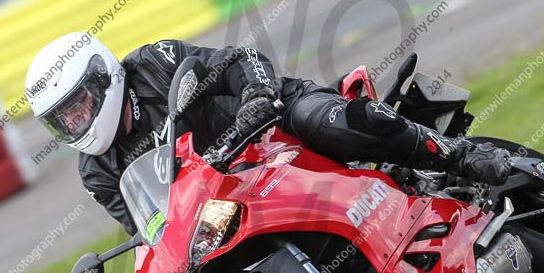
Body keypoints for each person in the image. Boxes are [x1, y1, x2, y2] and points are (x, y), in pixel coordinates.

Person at [25, 33, 511, 234]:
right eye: (62, 119)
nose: (76, 122)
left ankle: (457, 155)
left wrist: (258, 96)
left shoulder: (153, 64)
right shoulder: (97, 172)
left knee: (340, 122)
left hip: (273, 124)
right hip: (229, 192)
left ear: (103, 78)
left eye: (79, 105)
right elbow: (146, 227)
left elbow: (236, 58)